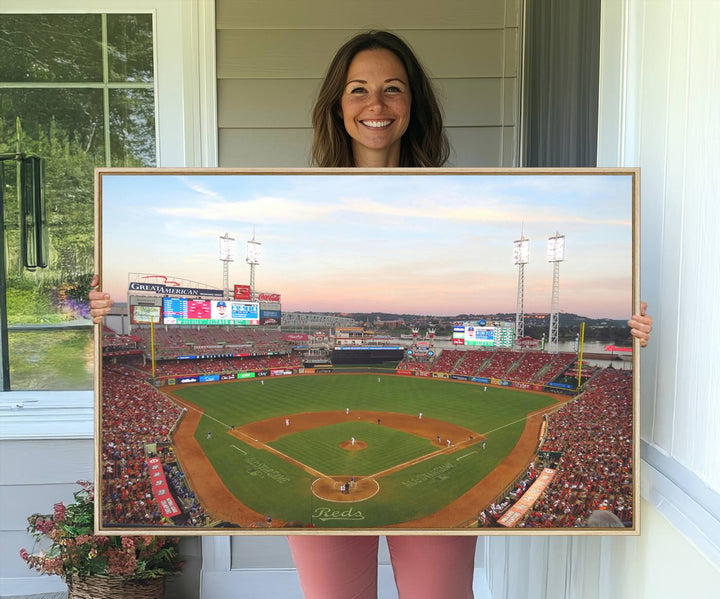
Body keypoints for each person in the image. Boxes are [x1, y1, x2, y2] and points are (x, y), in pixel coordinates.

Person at [89, 29, 653, 599]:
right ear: (338, 104)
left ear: (413, 104)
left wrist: (632, 333)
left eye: (393, 89)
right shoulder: (298, 194)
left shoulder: (455, 196)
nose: (375, 105)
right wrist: (102, 313)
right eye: (358, 89)